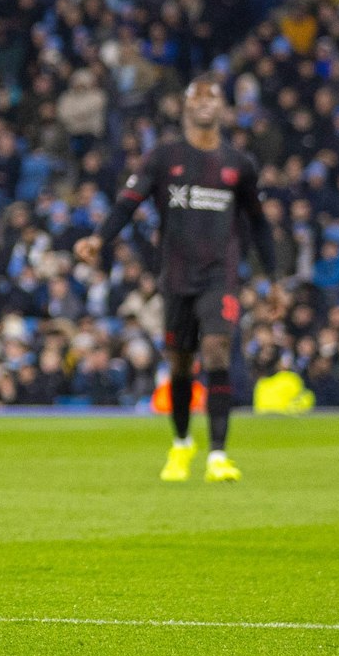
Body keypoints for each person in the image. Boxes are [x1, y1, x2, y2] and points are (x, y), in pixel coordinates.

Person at [75, 76, 271, 482]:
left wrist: (276, 280)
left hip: (220, 276)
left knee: (216, 349)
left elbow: (259, 224)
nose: (204, 101)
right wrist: (99, 239)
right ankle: (182, 443)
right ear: (184, 106)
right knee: (180, 365)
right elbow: (128, 203)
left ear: (223, 107)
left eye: (212, 95)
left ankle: (218, 454)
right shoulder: (164, 158)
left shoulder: (239, 165)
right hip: (177, 278)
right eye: (196, 94)